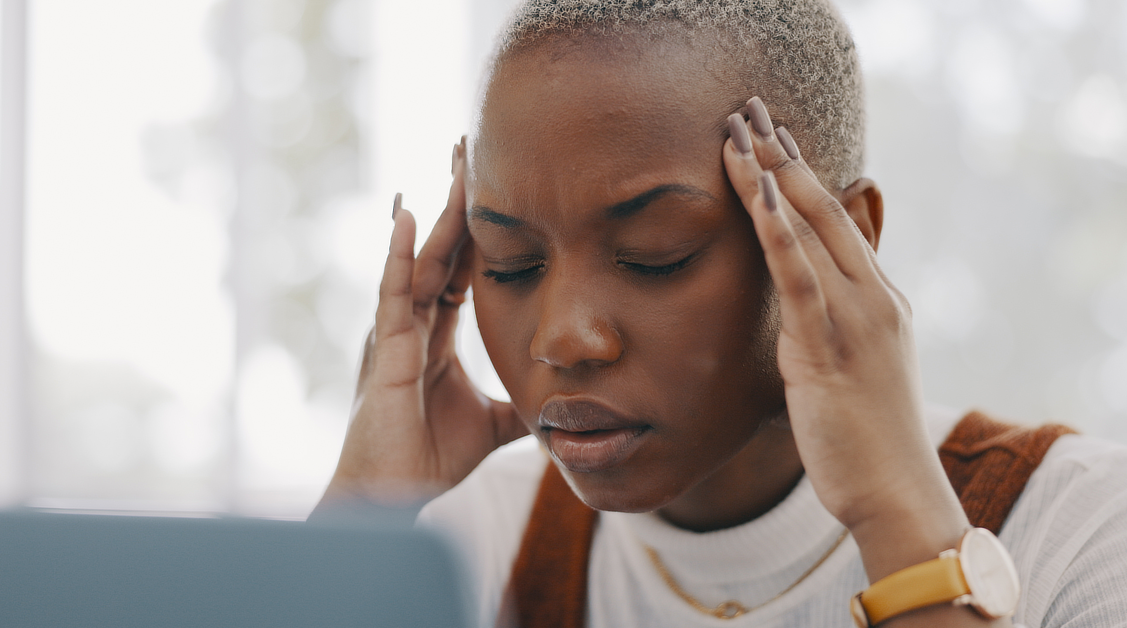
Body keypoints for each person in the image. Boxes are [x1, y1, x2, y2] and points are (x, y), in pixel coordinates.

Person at [315, 1, 1127, 626]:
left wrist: (899, 522)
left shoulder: (1080, 531)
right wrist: (357, 516)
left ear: (849, 242)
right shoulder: (473, 545)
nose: (564, 338)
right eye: (511, 264)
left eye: (655, 254)